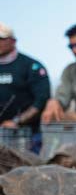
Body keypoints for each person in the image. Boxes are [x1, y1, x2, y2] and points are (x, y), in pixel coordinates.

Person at [0, 23, 50, 153]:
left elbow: (41, 100)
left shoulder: (31, 66)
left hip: (28, 136)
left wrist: (17, 121)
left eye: (1, 39)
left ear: (13, 41)